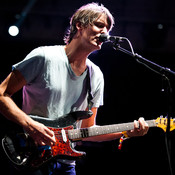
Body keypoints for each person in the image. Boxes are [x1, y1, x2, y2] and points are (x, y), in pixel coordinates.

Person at [0, 2, 149, 175]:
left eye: (108, 29)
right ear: (79, 25)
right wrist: (31, 125)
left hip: (66, 163)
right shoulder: (44, 57)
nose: (105, 33)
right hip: (31, 154)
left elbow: (88, 131)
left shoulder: (96, 76)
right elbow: (2, 94)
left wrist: (127, 132)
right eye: (99, 25)